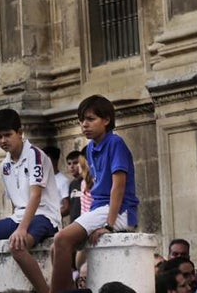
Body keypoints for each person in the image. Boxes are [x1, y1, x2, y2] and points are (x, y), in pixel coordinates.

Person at [0, 109, 61, 293]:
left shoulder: (35, 156)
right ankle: (5, 259)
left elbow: (36, 196)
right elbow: (16, 202)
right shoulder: (4, 165)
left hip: (44, 215)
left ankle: (45, 291)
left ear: (20, 133)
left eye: (8, 135)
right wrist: (17, 225)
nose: (3, 141)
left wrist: (22, 229)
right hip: (19, 216)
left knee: (17, 247)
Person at [49, 95, 140, 293]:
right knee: (56, 248)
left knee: (61, 239)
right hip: (99, 209)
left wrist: (108, 224)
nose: (84, 125)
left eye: (90, 119)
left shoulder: (116, 143)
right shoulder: (90, 148)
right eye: (82, 120)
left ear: (106, 120)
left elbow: (119, 187)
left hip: (119, 211)